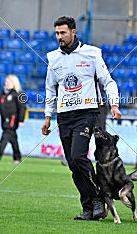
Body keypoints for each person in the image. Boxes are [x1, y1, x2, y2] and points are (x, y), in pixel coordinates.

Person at [42, 16, 121, 221]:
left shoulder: (92, 54)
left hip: (87, 113)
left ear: (73, 32)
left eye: (63, 33)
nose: (59, 37)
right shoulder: (53, 58)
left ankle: (97, 199)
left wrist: (114, 103)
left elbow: (108, 81)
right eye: (57, 33)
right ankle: (88, 208)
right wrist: (48, 116)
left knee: (79, 157)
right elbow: (50, 89)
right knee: (73, 164)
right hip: (63, 116)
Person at [0, 74, 26, 164]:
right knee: (13, 139)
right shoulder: (3, 93)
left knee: (5, 136)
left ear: (14, 83)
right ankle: (17, 157)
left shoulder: (19, 94)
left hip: (12, 119)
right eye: (6, 82)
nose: (6, 83)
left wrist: (21, 120)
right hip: (4, 119)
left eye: (8, 82)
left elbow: (22, 108)